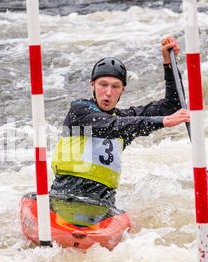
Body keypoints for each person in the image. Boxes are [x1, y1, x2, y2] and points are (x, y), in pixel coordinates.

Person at [50, 36, 189, 214]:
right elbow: (110, 126)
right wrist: (162, 121)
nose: (108, 92)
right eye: (103, 84)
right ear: (92, 84)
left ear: (123, 89)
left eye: (115, 86)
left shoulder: (126, 119)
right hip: (63, 199)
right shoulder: (79, 110)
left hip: (103, 208)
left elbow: (172, 105)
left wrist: (169, 64)